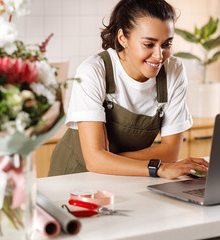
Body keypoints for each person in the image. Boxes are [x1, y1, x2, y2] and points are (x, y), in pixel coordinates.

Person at [48, 0, 208, 179]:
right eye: (149, 44)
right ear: (123, 38)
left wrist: (106, 160)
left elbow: (170, 152)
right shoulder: (94, 71)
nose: (159, 56)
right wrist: (160, 168)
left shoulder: (173, 70)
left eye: (166, 44)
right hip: (75, 176)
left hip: (133, 177)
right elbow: (93, 161)